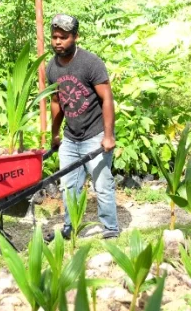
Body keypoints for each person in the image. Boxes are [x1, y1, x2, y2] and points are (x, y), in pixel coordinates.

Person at [44, 13, 120, 241]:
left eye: (64, 37)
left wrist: (108, 136)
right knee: (69, 187)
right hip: (71, 137)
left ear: (75, 37)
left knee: (102, 184)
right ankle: (71, 226)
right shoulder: (51, 67)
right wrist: (55, 134)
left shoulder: (90, 63)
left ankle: (110, 228)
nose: (58, 42)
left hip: (95, 134)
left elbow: (107, 99)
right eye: (55, 37)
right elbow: (56, 102)